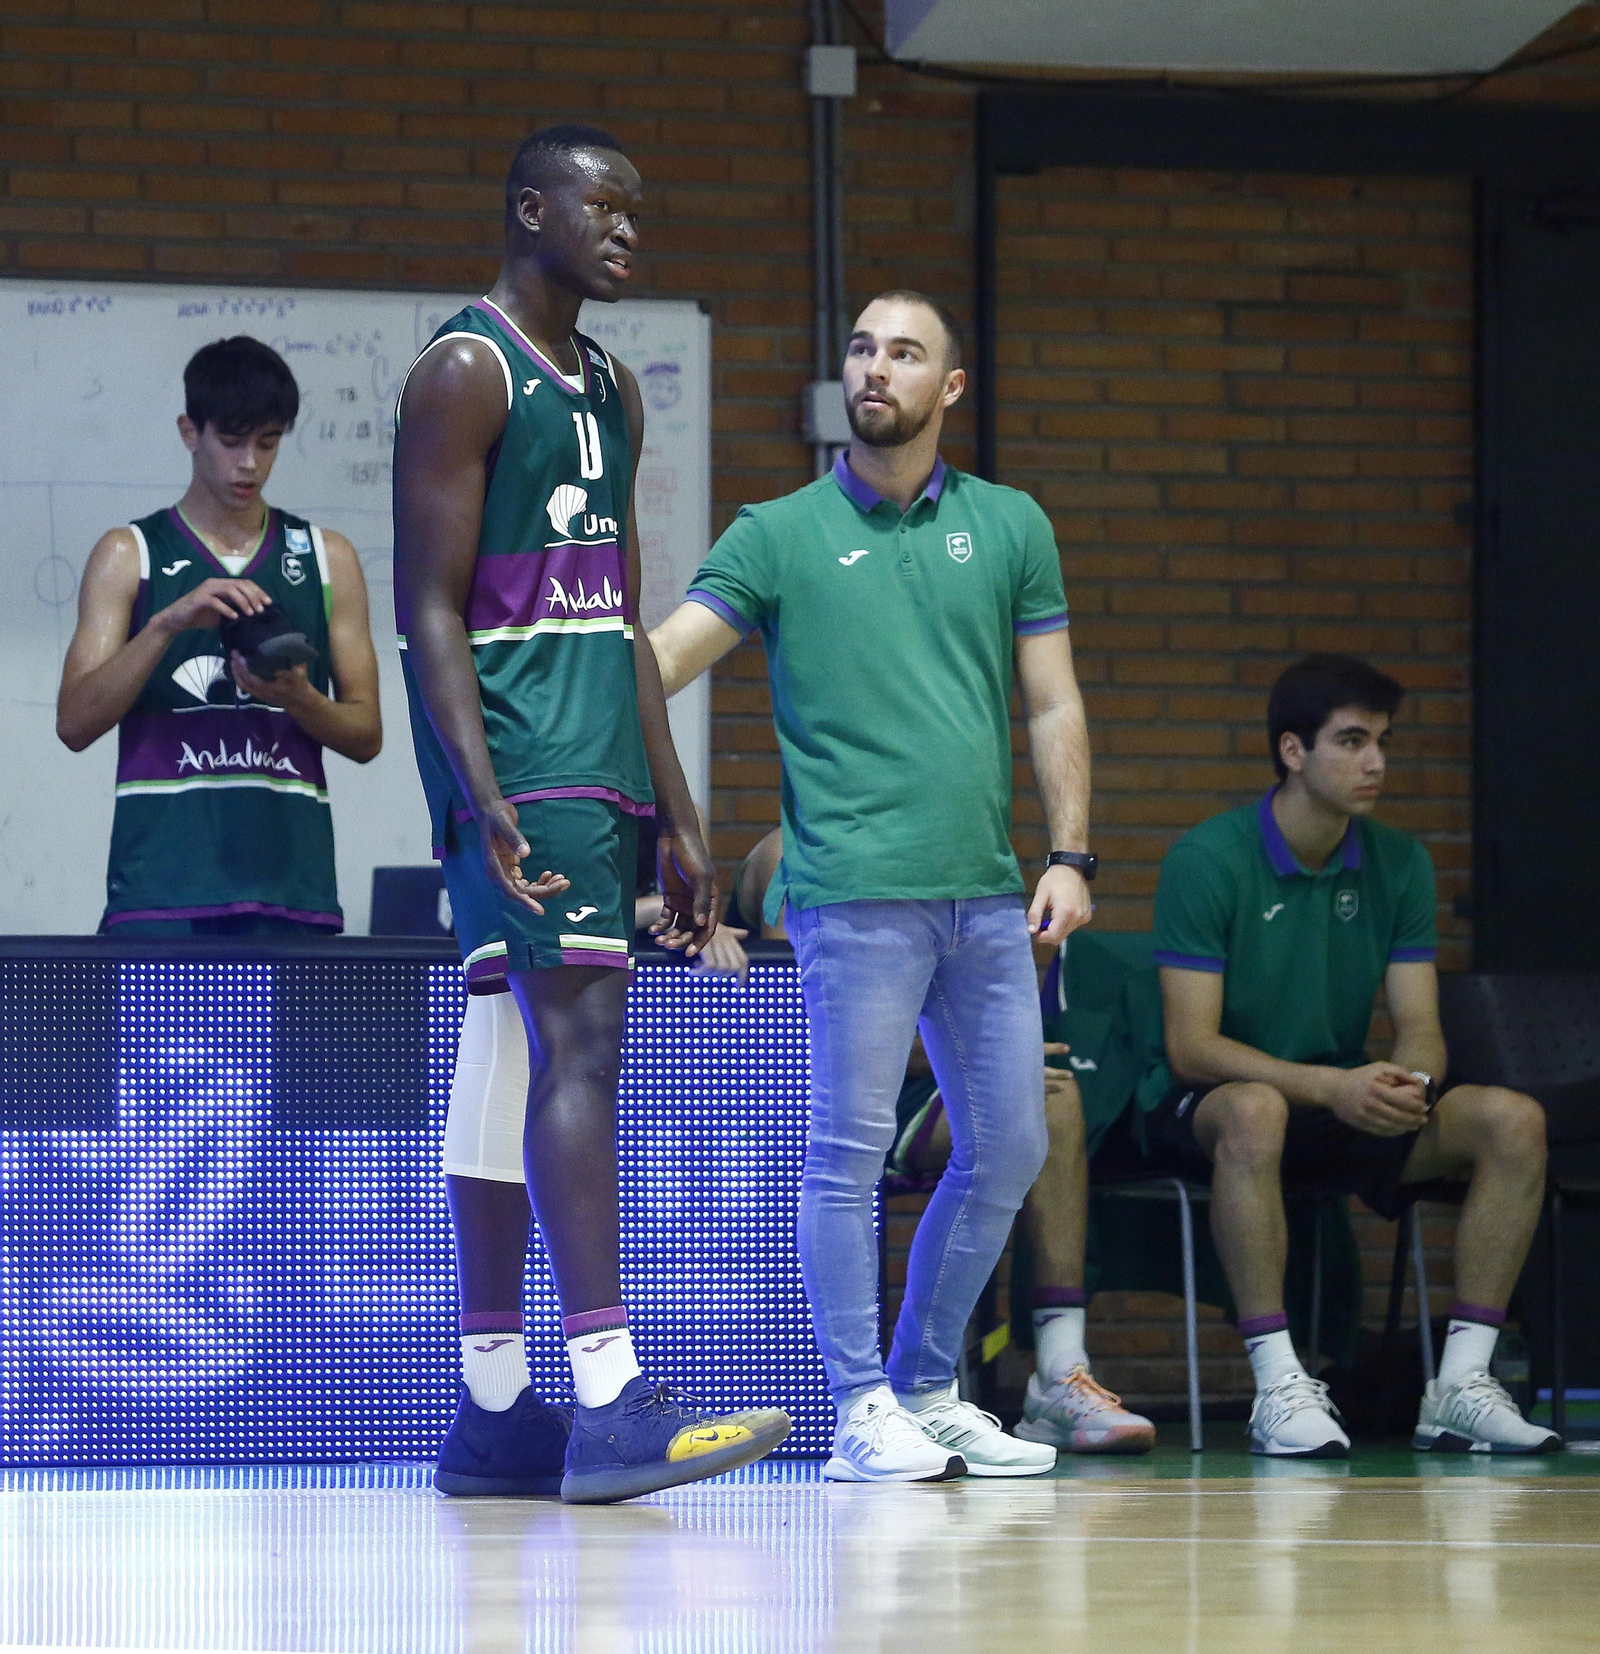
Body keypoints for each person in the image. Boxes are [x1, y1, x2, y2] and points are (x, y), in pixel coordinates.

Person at [393, 123, 789, 1505]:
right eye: (601, 205)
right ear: (527, 208)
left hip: (596, 758)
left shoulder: (612, 385)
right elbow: (426, 607)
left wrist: (679, 812)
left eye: (639, 208)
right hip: (515, 756)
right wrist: (480, 791)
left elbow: (621, 611)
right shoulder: (464, 368)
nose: (626, 229)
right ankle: (613, 1395)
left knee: (506, 1065)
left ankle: (497, 1409)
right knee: (585, 1045)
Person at [650, 291, 1097, 1481]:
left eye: (905, 352)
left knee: (1007, 1146)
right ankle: (858, 1407)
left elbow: (1051, 698)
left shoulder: (1009, 525)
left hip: (990, 897)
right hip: (850, 895)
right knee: (845, 1151)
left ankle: (927, 1385)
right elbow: (658, 665)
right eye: (859, 347)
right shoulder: (776, 532)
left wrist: (1071, 853)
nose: (876, 367)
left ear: (948, 387)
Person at [1147, 654, 1558, 1457]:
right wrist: (1329, 1085)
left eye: (1383, 741)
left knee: (1512, 1120)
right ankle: (1279, 1384)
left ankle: (1461, 1386)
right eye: (1351, 741)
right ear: (1293, 752)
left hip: (1341, 1102)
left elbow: (1420, 1026)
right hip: (1223, 1108)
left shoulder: (1400, 862)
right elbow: (1192, 1049)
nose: (1375, 762)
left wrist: (1414, 1084)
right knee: (1257, 1109)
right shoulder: (1208, 858)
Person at [742, 825, 1155, 1453]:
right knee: (852, 1149)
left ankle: (1046, 1370)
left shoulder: (965, 858)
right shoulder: (796, 850)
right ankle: (861, 1405)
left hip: (936, 1038)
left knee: (1042, 1113)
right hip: (793, 1100)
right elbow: (797, 1023)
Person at [57, 336, 382, 935]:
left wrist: (299, 699)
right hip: (160, 889)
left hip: (291, 888)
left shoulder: (326, 556)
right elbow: (74, 723)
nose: (249, 464)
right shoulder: (129, 555)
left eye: (268, 442)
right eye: (231, 442)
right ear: (190, 432)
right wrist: (166, 624)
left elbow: (366, 735)